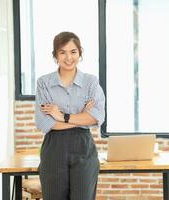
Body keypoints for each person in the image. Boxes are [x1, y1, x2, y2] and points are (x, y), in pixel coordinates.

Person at [35, 31, 105, 200]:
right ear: (55, 55)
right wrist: (82, 116)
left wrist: (61, 116)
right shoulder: (44, 83)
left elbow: (97, 117)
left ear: (80, 53)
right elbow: (44, 123)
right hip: (54, 148)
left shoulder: (91, 82)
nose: (68, 57)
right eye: (62, 52)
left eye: (73, 52)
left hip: (83, 147)